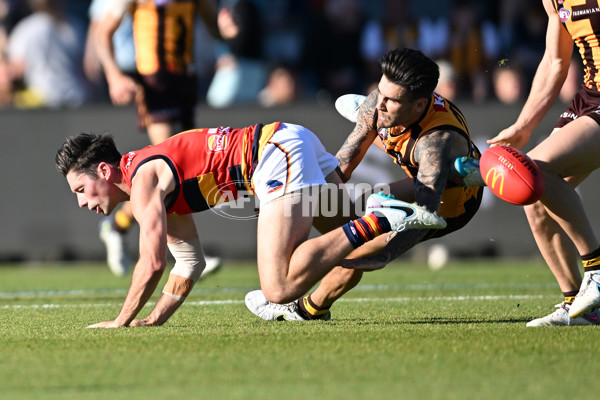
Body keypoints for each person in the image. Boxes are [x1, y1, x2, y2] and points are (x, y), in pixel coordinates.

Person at [55, 121, 445, 328]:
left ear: (104, 170)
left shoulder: (141, 182)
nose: (81, 202)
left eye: (81, 189)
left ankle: (379, 217)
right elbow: (189, 263)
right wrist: (152, 320)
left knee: (277, 286)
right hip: (286, 141)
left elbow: (152, 262)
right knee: (354, 252)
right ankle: (450, 174)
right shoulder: (150, 184)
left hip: (273, 155)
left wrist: (121, 321)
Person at [245, 48, 484, 321]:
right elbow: (339, 170)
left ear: (419, 105)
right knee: (348, 214)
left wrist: (387, 254)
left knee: (357, 241)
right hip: (420, 178)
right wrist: (282, 196)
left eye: (391, 100)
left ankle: (304, 309)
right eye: (380, 92)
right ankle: (301, 298)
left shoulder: (435, 143)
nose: (379, 103)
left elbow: (426, 217)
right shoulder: (377, 104)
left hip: (447, 204)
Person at [487, 0, 600, 326]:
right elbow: (554, 61)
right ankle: (580, 304)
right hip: (589, 98)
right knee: (529, 190)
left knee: (532, 169)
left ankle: (596, 268)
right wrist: (523, 125)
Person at [93, 0, 222, 277]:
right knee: (168, 168)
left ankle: (117, 226)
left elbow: (215, 26)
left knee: (185, 169)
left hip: (186, 82)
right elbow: (102, 33)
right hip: (155, 84)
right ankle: (185, 254)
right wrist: (114, 76)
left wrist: (227, 27)